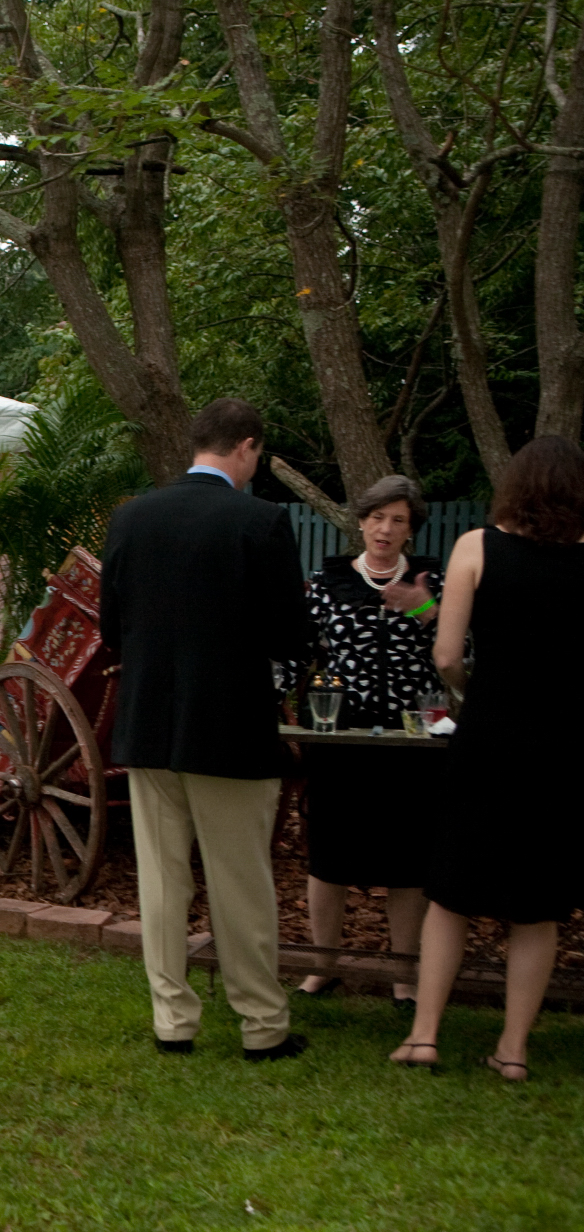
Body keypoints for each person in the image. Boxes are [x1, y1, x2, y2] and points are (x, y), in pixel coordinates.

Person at [99, 398, 312, 1062]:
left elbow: (112, 629)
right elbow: (291, 635)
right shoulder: (260, 521)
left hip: (150, 725)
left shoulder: (131, 519)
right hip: (230, 729)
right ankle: (262, 1025)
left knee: (163, 882)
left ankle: (173, 1022)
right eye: (256, 456)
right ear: (246, 447)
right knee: (239, 881)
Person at [391, 436, 584, 1081]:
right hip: (561, 747)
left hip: (489, 737)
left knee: (451, 893)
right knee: (538, 905)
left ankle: (424, 1036)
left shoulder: (477, 546)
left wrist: (474, 691)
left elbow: (447, 655)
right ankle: (513, 1050)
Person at [291, 476, 443, 1004]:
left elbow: (460, 649)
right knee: (328, 854)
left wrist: (423, 608)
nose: (385, 529)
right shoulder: (329, 579)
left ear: (410, 529)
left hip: (411, 739)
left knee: (407, 862)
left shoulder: (433, 580)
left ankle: (404, 976)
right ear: (360, 522)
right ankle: (322, 967)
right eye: (377, 517)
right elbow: (299, 649)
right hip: (341, 736)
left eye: (398, 520)